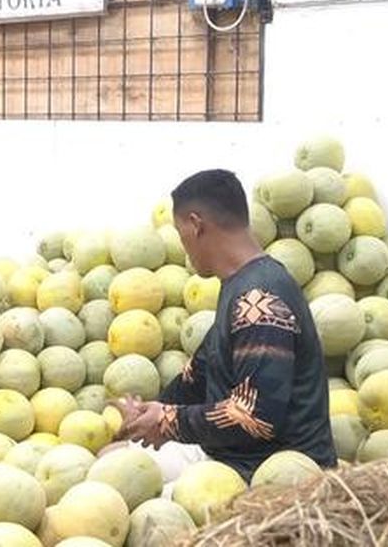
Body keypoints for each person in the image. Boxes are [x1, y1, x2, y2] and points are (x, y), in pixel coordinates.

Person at [110, 169, 336, 480]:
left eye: (180, 233)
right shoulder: (241, 285)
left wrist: (167, 421)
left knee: (129, 495)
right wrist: (149, 412)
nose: (184, 247)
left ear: (195, 225)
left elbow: (255, 417)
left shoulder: (259, 300)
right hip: (228, 454)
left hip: (269, 473)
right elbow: (199, 374)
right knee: (110, 461)